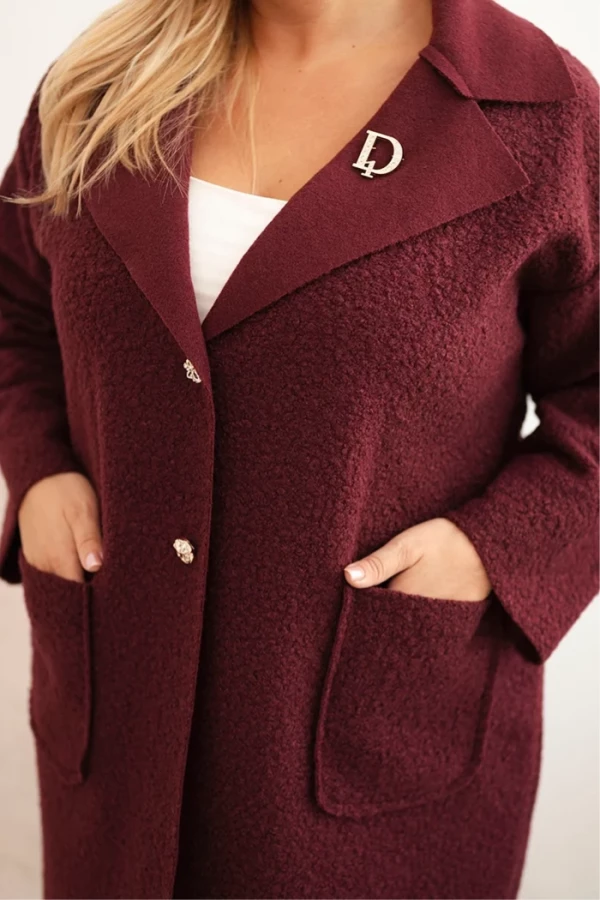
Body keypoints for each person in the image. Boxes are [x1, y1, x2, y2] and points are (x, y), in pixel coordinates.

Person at [0, 0, 597, 897]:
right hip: (118, 726)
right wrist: (38, 467)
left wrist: (496, 549)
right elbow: (15, 308)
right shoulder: (98, 85)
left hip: (368, 763)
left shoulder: (543, 111)